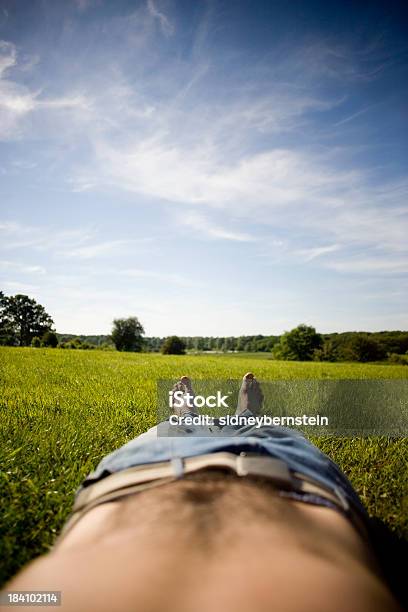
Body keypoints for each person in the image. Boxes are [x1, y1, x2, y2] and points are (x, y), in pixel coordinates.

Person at [1, 374, 405, 612]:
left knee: (179, 427)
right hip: (294, 476)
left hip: (142, 470)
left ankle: (187, 415)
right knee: (260, 428)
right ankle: (245, 417)